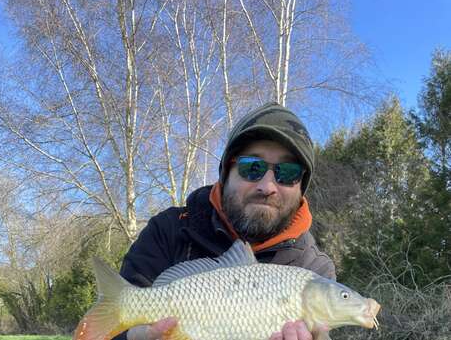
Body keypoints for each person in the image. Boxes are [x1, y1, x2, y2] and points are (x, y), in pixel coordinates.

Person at [117, 102, 336, 340]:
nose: (267, 186)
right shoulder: (168, 229)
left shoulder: (315, 269)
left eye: (288, 172)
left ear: (301, 188)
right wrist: (134, 337)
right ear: (225, 174)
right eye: (252, 167)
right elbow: (110, 332)